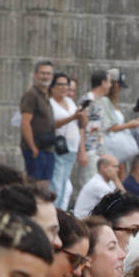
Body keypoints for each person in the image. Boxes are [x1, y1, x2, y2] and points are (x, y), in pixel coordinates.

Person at [48, 73, 86, 208]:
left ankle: (60, 215)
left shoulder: (69, 102)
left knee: (64, 185)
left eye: (66, 84)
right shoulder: (50, 103)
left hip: (72, 148)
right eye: (61, 84)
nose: (65, 88)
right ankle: (54, 211)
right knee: (56, 184)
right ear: (52, 87)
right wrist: (73, 117)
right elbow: (53, 124)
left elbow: (81, 124)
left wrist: (82, 115)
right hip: (59, 148)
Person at [18, 60, 57, 181]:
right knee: (35, 185)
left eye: (48, 73)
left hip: (47, 148)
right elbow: (25, 123)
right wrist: (33, 148)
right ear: (35, 74)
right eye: (42, 73)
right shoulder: (31, 94)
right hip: (35, 149)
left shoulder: (46, 95)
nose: (45, 76)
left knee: (45, 185)